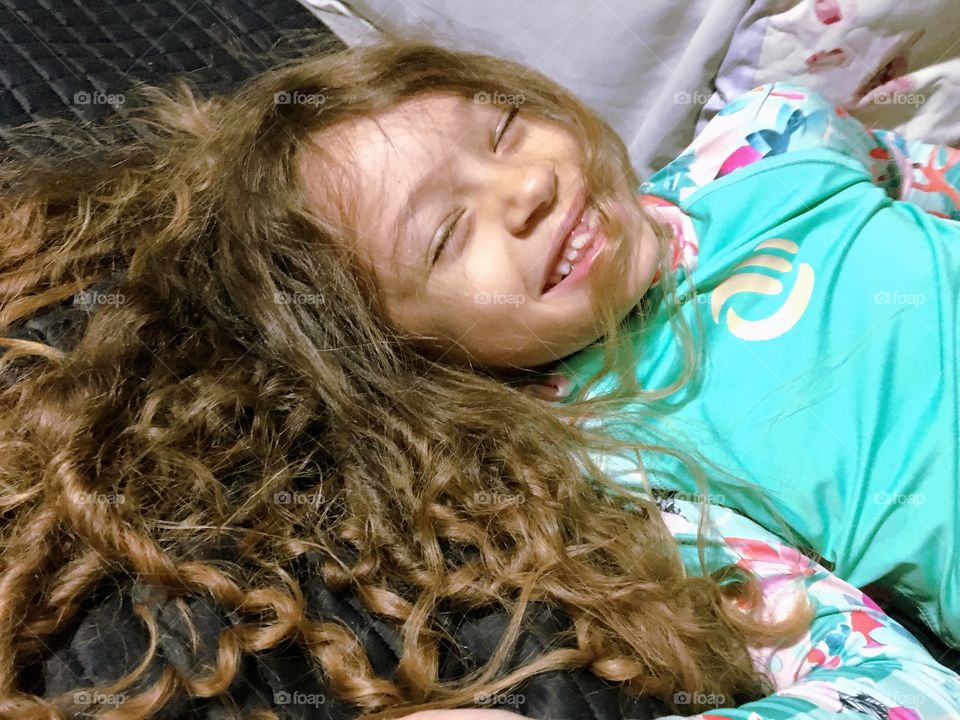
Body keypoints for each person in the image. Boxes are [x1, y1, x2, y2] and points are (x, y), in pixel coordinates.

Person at [0, 32, 957, 719]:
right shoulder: (619, 462)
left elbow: (919, 167)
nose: (530, 186)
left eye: (504, 130)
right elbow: (892, 688)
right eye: (449, 235)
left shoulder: (763, 141)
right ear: (417, 353)